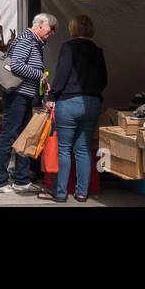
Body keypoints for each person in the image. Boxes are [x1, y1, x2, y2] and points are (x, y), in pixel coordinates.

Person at [42, 14, 107, 203]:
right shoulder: (98, 51)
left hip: (69, 103)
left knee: (63, 149)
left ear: (72, 29)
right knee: (83, 148)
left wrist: (52, 96)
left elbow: (62, 74)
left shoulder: (68, 47)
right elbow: (104, 80)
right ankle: (82, 193)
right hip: (92, 102)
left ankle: (61, 193)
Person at [0, 12, 56, 194]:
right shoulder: (26, 40)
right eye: (50, 29)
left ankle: (21, 180)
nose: (51, 33)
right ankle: (1, 182)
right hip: (16, 95)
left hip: (24, 95)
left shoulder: (35, 42)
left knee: (23, 136)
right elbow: (17, 66)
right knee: (9, 135)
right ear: (40, 25)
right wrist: (40, 76)